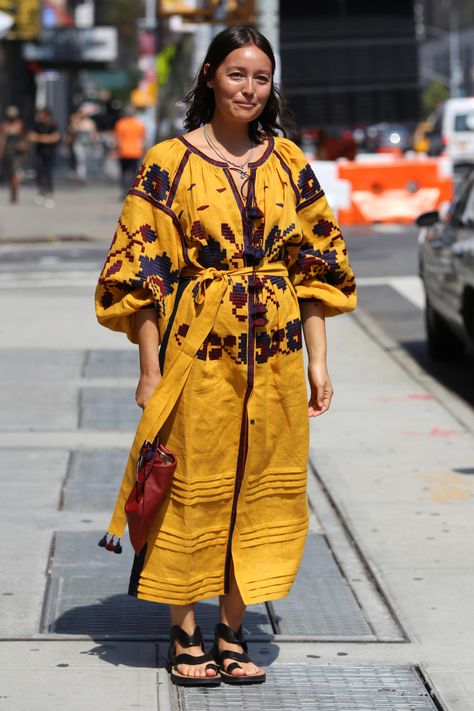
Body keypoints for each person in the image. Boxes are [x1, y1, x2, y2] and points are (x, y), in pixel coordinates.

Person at [95, 26, 356, 687]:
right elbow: (139, 274)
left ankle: (233, 628)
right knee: (187, 486)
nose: (248, 88)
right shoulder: (167, 163)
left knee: (257, 490)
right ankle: (185, 632)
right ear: (210, 75)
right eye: (236, 73)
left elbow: (317, 267)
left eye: (260, 77)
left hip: (273, 358)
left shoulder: (289, 163)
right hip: (195, 353)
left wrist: (317, 363)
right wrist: (149, 370)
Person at [28, 107, 60, 207]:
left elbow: (54, 138)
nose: (39, 116)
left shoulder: (53, 125)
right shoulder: (37, 125)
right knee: (39, 171)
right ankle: (41, 191)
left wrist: (39, 138)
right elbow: (31, 136)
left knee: (48, 172)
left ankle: (50, 194)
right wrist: (43, 138)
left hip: (49, 153)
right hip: (39, 152)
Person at [114, 104, 146, 199]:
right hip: (136, 152)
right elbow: (142, 139)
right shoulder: (139, 124)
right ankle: (132, 191)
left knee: (123, 172)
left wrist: (116, 149)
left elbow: (118, 139)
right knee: (135, 173)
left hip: (123, 151)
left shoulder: (120, 123)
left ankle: (124, 191)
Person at [0, 106, 27, 203]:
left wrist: (24, 146)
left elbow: (23, 137)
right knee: (10, 173)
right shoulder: (5, 125)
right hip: (8, 151)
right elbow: (3, 140)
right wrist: (1, 152)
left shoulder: (20, 124)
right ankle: (12, 191)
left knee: (15, 171)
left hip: (17, 152)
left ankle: (15, 191)